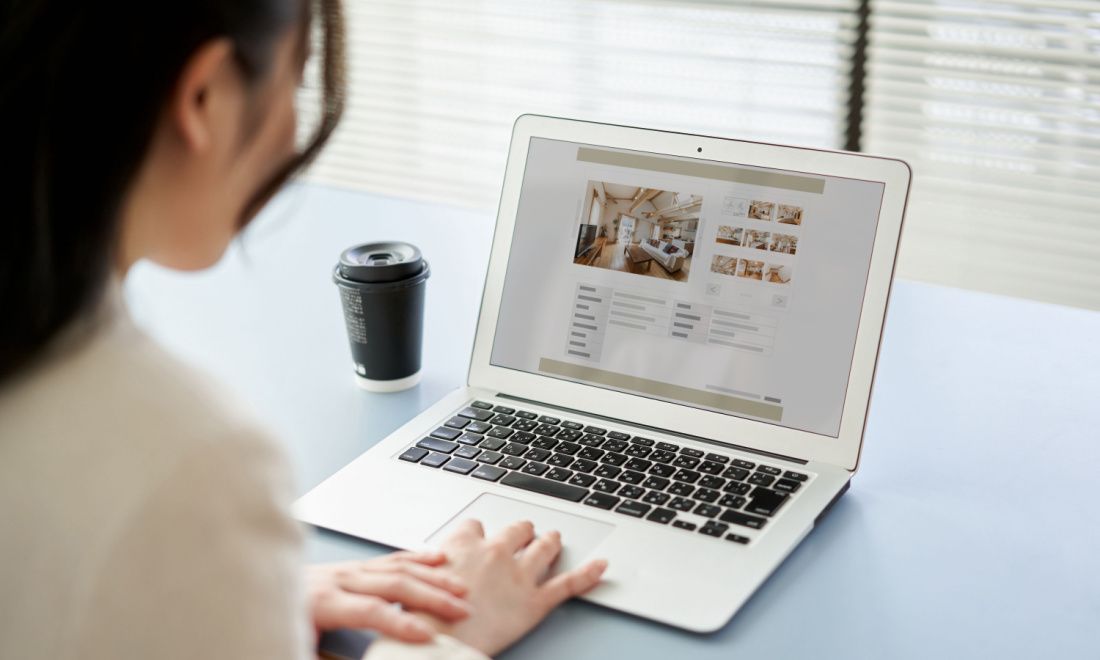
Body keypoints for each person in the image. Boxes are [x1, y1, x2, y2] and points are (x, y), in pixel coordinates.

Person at [0, 1, 608, 658]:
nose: (294, 132)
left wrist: (225, 598)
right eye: (298, 77)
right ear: (204, 97)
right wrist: (441, 638)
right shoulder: (191, 463)